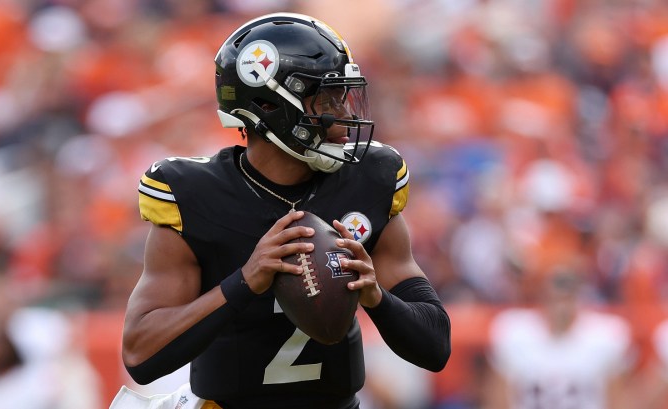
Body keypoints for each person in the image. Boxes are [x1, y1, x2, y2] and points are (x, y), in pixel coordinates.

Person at [120, 12, 451, 409]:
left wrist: (377, 298)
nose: (345, 116)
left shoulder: (369, 179)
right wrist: (244, 282)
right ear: (270, 105)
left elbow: (436, 346)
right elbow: (140, 353)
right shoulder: (196, 194)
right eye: (329, 99)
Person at [482, 267, 634, 409]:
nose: (561, 307)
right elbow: (498, 400)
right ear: (543, 297)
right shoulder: (514, 332)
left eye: (566, 298)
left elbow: (617, 400)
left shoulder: (605, 335)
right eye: (555, 298)